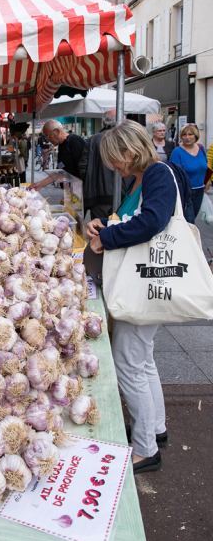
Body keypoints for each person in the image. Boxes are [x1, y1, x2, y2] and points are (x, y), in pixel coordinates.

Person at [86, 120, 192, 474]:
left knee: (128, 360)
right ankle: (154, 430)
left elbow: (152, 222)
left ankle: (146, 450)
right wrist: (103, 225)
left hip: (148, 283)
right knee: (142, 359)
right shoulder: (144, 178)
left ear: (129, 153)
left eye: (115, 160)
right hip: (148, 283)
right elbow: (130, 219)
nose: (114, 167)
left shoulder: (159, 174)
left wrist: (107, 239)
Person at [78, 109, 130, 219]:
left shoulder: (94, 140)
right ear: (123, 121)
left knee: (98, 231)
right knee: (120, 228)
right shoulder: (129, 139)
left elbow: (83, 167)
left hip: (98, 196)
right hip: (125, 194)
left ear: (104, 122)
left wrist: (92, 182)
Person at [29, 120, 85, 194]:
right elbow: (59, 172)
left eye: (48, 136)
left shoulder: (75, 141)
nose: (47, 139)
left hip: (80, 193)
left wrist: (71, 193)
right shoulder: (61, 145)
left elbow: (84, 172)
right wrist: (40, 184)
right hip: (69, 190)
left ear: (57, 131)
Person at [170, 123, 210, 223]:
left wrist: (208, 180)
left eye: (190, 134)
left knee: (192, 219)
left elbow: (205, 166)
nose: (187, 137)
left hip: (199, 190)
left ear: (196, 135)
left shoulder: (201, 148)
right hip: (185, 192)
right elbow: (174, 174)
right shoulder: (177, 151)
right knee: (189, 222)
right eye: (184, 134)